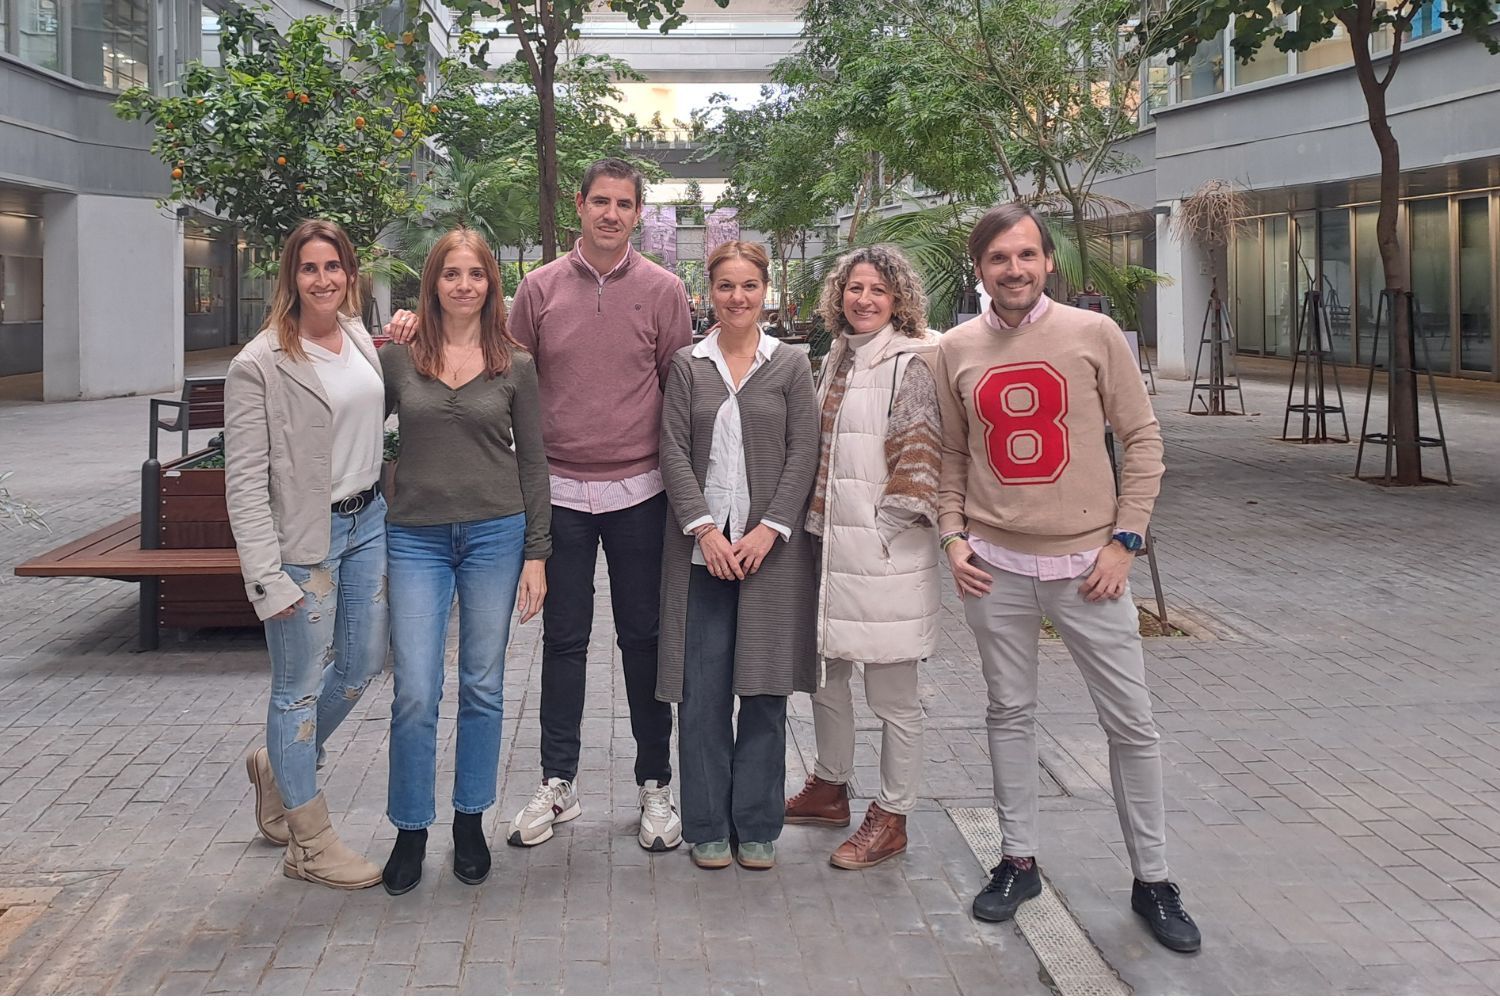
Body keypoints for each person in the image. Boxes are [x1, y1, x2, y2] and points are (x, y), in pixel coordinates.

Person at [385, 158, 693, 852]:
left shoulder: (665, 290)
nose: (611, 214)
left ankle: (655, 782)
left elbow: (677, 388)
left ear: (638, 213)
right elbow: (499, 364)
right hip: (560, 492)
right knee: (564, 639)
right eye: (600, 201)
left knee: (644, 639)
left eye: (624, 204)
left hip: (641, 491)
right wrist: (411, 323)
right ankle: (559, 781)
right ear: (578, 205)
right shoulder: (540, 287)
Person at [933, 203, 1200, 952]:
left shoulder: (1094, 334)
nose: (1013, 269)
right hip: (995, 566)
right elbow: (951, 452)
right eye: (997, 258)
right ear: (979, 269)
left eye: (1026, 255)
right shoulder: (954, 348)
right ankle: (1017, 860)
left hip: (1092, 569)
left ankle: (1153, 879)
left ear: (1049, 261)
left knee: (1131, 724)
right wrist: (952, 536)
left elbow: (1142, 438)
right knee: (1008, 712)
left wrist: (1126, 540)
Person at [378, 228, 551, 895]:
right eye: (451, 273)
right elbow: (358, 426)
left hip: (494, 536)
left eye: (475, 274)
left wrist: (537, 553)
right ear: (433, 282)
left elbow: (533, 462)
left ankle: (470, 820)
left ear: (490, 284)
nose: (463, 285)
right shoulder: (399, 358)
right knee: (416, 690)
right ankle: (410, 828)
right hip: (415, 537)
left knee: (482, 684)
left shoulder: (516, 363)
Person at [226, 219, 388, 890]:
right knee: (296, 689)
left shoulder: (356, 336)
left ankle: (277, 765)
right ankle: (309, 844)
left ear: (350, 273)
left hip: (368, 522)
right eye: (309, 268)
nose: (323, 279)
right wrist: (266, 579)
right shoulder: (259, 363)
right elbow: (243, 481)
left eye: (333, 266)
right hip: (303, 545)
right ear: (290, 277)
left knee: (360, 666)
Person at [656, 241, 820, 871]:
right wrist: (704, 531)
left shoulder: (790, 364)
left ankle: (756, 823)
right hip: (702, 554)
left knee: (764, 689)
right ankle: (706, 824)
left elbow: (804, 451)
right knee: (702, 693)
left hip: (768, 555)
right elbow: (672, 450)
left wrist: (768, 530)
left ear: (765, 290)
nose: (738, 297)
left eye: (749, 285)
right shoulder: (687, 365)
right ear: (709, 292)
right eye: (726, 285)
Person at [783, 245, 943, 870]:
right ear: (839, 295)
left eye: (878, 289)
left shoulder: (912, 361)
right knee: (827, 677)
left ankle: (893, 814)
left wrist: (881, 534)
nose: (865, 299)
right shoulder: (837, 358)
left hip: (882, 552)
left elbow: (918, 461)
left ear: (898, 298)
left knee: (893, 694)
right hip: (827, 545)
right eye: (855, 288)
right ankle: (830, 786)